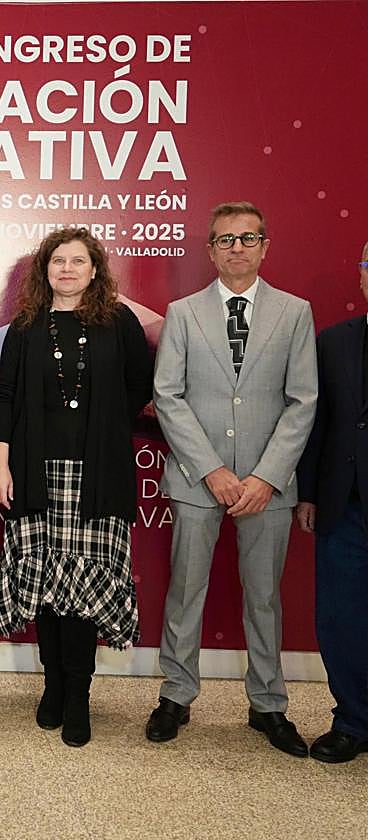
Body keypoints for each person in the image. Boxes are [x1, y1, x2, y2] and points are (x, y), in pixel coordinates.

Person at [148, 201, 317, 756]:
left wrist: (267, 477)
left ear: (265, 246)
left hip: (267, 486)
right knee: (185, 589)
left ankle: (268, 704)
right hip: (200, 479)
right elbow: (167, 396)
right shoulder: (183, 312)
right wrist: (213, 470)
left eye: (248, 238)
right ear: (210, 250)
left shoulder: (295, 313)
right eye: (225, 240)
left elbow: (302, 402)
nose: (237, 248)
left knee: (264, 597)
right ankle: (176, 693)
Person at [0, 228, 152, 747]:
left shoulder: (118, 322)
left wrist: (102, 427)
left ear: (95, 269)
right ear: (45, 270)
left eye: (78, 261)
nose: (67, 269)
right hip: (34, 472)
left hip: (96, 476)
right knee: (46, 588)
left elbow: (139, 384)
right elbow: (6, 398)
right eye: (58, 261)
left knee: (81, 592)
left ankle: (77, 696)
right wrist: (1, 465)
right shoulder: (27, 326)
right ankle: (52, 686)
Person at [294, 239, 368, 764]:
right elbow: (316, 425)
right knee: (341, 619)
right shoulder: (334, 341)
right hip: (346, 507)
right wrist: (309, 494)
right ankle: (353, 721)